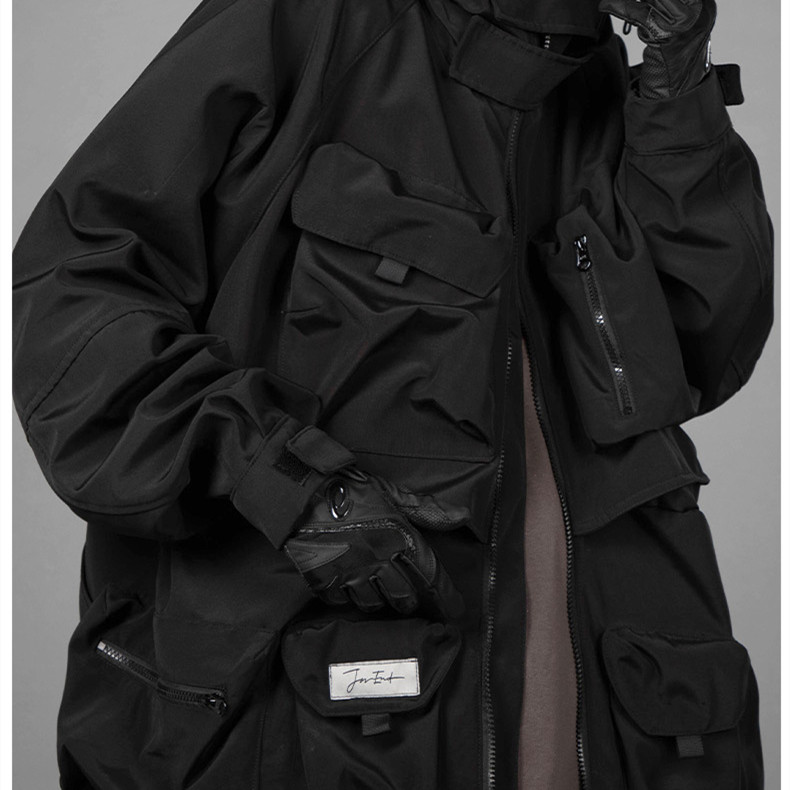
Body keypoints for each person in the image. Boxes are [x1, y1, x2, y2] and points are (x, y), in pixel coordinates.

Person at [12, 0, 773, 787]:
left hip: (625, 724)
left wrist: (677, 81)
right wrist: (281, 482)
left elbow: (698, 345)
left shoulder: (605, 82)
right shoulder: (313, 21)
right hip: (322, 724)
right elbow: (71, 298)